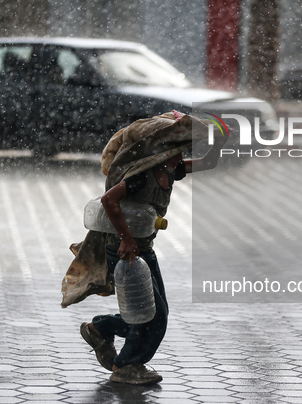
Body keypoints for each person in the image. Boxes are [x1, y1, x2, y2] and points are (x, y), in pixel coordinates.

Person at [64, 111, 227, 384]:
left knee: (144, 312)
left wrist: (218, 139)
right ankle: (126, 366)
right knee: (153, 315)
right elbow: (109, 200)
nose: (181, 154)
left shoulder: (171, 170)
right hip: (124, 250)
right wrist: (126, 239)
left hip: (144, 250)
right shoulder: (142, 175)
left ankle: (99, 328)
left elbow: (208, 161)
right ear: (163, 150)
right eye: (177, 149)